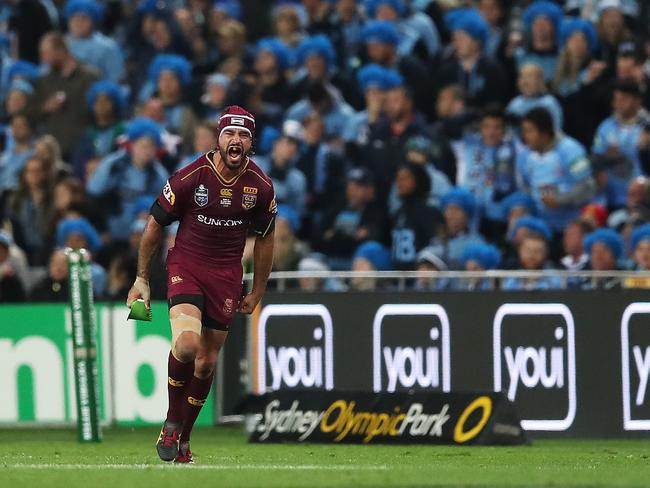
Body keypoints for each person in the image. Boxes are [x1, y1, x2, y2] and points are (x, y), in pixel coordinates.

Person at [126, 106, 277, 464]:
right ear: (219, 138)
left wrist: (258, 290)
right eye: (230, 134)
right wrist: (141, 278)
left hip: (226, 276)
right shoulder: (191, 176)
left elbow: (267, 237)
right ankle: (171, 421)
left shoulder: (260, 187)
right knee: (189, 344)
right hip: (187, 266)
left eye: (243, 135)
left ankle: (184, 438)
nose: (235, 141)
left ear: (251, 143)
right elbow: (154, 225)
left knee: (207, 364)